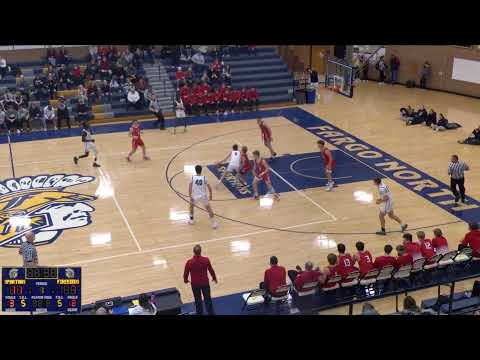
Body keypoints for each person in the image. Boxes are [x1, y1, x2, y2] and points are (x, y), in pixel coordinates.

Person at [183, 245, 217, 315]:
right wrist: (214, 277)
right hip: (205, 283)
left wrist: (185, 280)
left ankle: (199, 313)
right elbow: (211, 270)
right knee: (207, 299)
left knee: (198, 300)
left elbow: (185, 273)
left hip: (195, 285)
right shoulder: (206, 260)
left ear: (193, 252)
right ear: (200, 251)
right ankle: (210, 313)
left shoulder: (189, 262)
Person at [188, 165, 218, 229]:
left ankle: (191, 220)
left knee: (191, 206)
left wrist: (190, 195)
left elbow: (190, 187)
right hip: (203, 196)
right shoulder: (204, 178)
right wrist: (211, 195)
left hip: (195, 196)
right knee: (209, 209)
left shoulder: (192, 178)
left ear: (195, 171)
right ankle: (214, 224)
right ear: (201, 170)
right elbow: (209, 188)